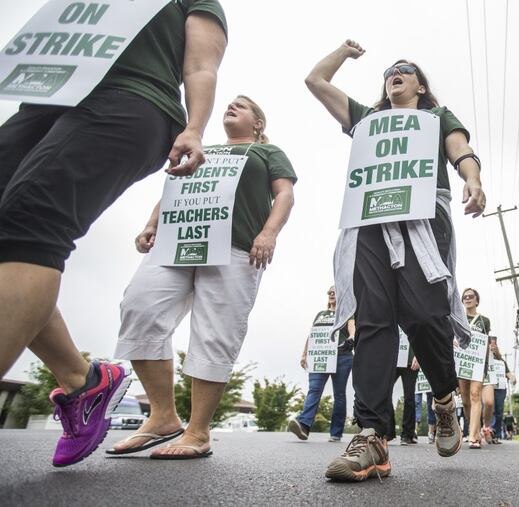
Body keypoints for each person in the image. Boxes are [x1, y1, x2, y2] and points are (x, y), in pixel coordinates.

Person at [0, 1, 227, 467]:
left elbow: (202, 63)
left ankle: (171, 416)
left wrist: (195, 127)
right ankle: (83, 381)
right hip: (49, 101)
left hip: (131, 101)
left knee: (28, 223)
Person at [305, 39, 486, 481]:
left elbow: (460, 149)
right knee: (373, 322)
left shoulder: (436, 117)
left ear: (420, 86)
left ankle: (444, 400)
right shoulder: (368, 121)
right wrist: (344, 53)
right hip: (370, 223)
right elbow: (315, 80)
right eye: (389, 71)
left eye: (404, 69)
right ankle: (372, 436)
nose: (394, 73)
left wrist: (474, 179)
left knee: (425, 317)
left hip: (424, 219)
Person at [108, 95, 296, 459]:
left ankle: (197, 432)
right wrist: (151, 223)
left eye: (242, 105)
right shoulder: (201, 148)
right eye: (230, 103)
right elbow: (175, 189)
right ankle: (162, 418)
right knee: (139, 307)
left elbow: (285, 194)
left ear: (257, 123)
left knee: (215, 331)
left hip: (235, 247)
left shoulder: (266, 153)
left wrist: (268, 233)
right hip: (177, 242)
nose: (232, 106)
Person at [288, 286, 355, 443]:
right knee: (314, 389)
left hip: (342, 357)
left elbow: (352, 327)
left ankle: (336, 432)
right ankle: (304, 425)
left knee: (339, 394)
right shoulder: (320, 314)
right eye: (329, 292)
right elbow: (312, 334)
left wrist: (352, 337)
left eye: (335, 291)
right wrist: (305, 353)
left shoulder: (347, 312)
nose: (331, 294)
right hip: (321, 357)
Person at [458, 288, 491, 449]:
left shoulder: (484, 320)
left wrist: (485, 364)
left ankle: (473, 436)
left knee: (475, 394)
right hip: (462, 362)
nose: (468, 298)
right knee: (465, 401)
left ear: (477, 300)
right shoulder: (458, 317)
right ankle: (475, 429)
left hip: (478, 363)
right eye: (465, 297)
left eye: (471, 296)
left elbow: (485, 342)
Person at [392, 353, 419, 445]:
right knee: (384, 393)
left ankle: (407, 434)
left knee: (409, 397)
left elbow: (423, 338)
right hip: (393, 360)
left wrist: (418, 355)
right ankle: (387, 430)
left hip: (410, 362)